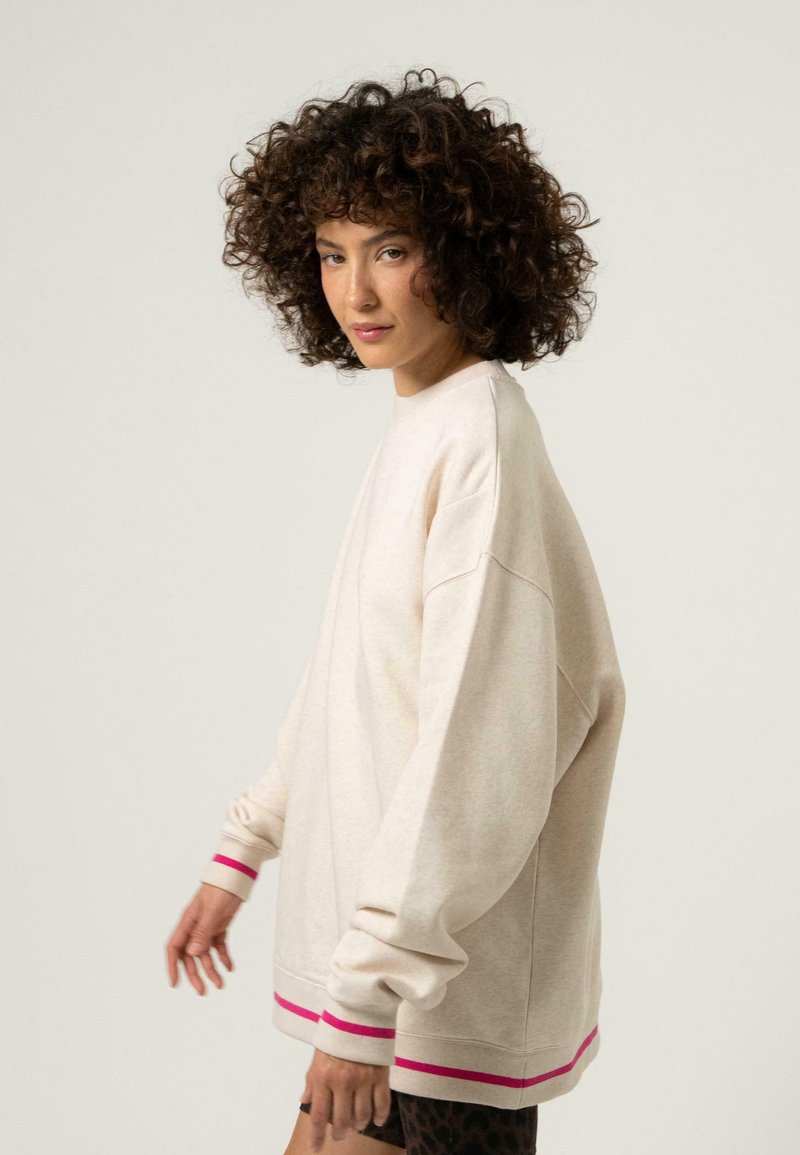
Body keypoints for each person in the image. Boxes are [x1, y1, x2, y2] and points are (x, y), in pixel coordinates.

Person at [165, 67, 625, 1155]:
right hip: (385, 991)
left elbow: (479, 752)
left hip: (434, 1007)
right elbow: (353, 682)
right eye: (332, 254)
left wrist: (369, 990)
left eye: (391, 249)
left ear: (464, 255)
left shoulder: (481, 442)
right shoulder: (423, 425)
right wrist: (244, 849)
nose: (356, 291)